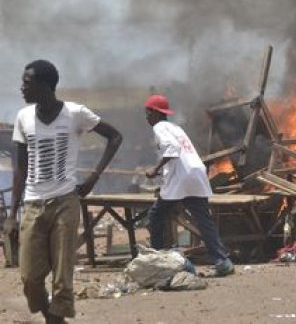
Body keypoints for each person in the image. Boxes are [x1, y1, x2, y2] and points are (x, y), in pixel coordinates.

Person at [6, 60, 122, 323]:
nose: (22, 88)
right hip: (33, 204)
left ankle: (55, 319)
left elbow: (115, 137)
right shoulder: (23, 117)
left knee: (62, 277)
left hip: (65, 203)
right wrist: (13, 214)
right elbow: (19, 170)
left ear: (45, 85)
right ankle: (52, 317)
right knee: (29, 278)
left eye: (27, 82)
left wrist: (94, 176)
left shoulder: (75, 113)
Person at [144, 94, 234, 277]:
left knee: (156, 216)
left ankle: (158, 260)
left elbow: (172, 150)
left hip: (181, 178)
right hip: (196, 173)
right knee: (203, 220)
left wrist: (155, 169)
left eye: (147, 113)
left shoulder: (160, 127)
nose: (146, 117)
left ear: (154, 112)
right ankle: (223, 262)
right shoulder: (176, 127)